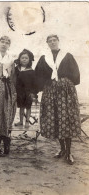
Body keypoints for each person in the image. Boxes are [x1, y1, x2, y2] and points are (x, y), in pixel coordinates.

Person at [35, 34, 81, 165]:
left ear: (58, 41)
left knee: (66, 119)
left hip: (66, 92)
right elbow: (38, 75)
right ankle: (62, 149)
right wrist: (42, 86)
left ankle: (69, 152)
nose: (52, 42)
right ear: (47, 43)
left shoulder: (67, 56)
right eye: (50, 41)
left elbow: (76, 75)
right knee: (55, 119)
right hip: (50, 93)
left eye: (54, 40)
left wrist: (65, 83)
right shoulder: (44, 58)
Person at [14, 49, 37, 128]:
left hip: (28, 92)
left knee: (28, 107)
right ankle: (21, 121)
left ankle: (27, 121)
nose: (24, 59)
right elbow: (14, 80)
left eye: (26, 58)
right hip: (19, 92)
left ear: (29, 60)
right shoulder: (17, 69)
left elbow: (34, 84)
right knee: (21, 107)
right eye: (22, 58)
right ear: (19, 59)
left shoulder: (32, 71)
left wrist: (33, 93)